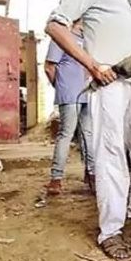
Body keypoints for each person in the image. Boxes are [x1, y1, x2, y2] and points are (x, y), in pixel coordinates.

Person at [45, 0, 131, 261]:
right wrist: (91, 64)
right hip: (108, 79)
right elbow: (55, 25)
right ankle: (110, 231)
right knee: (110, 155)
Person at [43, 19, 95, 195]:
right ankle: (59, 178)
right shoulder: (63, 36)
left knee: (80, 135)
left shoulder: (84, 40)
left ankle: (88, 175)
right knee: (72, 134)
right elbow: (49, 67)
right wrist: (61, 87)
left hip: (83, 93)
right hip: (74, 92)